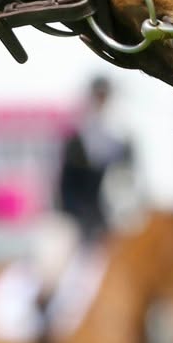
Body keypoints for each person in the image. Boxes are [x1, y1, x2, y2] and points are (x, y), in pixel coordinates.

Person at [56, 77, 135, 245]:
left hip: (105, 218)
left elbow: (126, 180)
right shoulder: (76, 138)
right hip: (74, 218)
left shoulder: (119, 137)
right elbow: (66, 186)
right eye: (99, 96)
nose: (102, 101)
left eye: (104, 96)